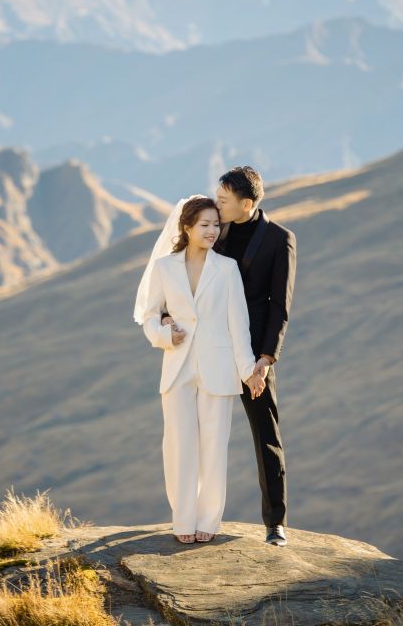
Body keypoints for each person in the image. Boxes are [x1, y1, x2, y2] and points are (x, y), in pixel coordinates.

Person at [169, 167, 295, 547]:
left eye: (224, 199)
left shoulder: (279, 239)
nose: (217, 204)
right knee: (195, 436)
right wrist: (164, 318)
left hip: (251, 355)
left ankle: (275, 523)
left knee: (265, 435)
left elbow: (279, 306)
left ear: (247, 203)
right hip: (205, 350)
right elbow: (179, 279)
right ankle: (192, 517)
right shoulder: (211, 228)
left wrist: (266, 358)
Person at [134, 196, 266, 544]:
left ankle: (208, 519)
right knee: (179, 446)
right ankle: (182, 520)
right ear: (187, 227)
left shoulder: (227, 268)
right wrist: (165, 334)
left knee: (213, 447)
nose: (212, 231)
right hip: (177, 367)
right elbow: (149, 316)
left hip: (219, 368)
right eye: (204, 225)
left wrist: (249, 370)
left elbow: (238, 324)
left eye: (215, 225)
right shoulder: (164, 267)